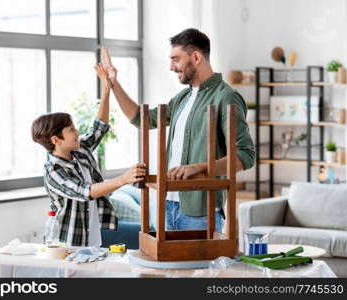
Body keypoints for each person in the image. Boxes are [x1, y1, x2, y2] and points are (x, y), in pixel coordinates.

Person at [101, 28, 255, 232]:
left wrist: (198, 168)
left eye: (176, 59)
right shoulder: (181, 98)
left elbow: (245, 155)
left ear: (196, 57)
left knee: (199, 266)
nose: (171, 67)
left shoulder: (226, 97)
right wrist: (113, 83)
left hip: (201, 212)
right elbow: (141, 119)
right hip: (166, 206)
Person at [31, 63, 146, 246]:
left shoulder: (79, 151)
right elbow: (86, 191)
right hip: (65, 242)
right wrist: (123, 179)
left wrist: (107, 90)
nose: (77, 132)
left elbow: (99, 127)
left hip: (91, 236)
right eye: (71, 130)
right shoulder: (52, 171)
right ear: (56, 140)